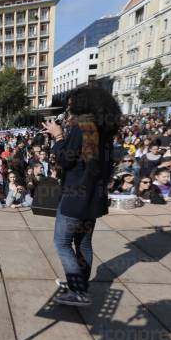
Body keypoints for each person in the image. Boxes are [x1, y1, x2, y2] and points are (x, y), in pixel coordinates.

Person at [43, 86, 119, 307]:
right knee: (83, 242)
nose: (68, 107)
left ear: (82, 104)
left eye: (70, 104)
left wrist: (58, 136)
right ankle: (80, 285)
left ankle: (78, 292)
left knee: (62, 243)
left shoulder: (82, 126)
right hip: (93, 197)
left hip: (75, 197)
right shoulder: (103, 128)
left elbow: (66, 159)